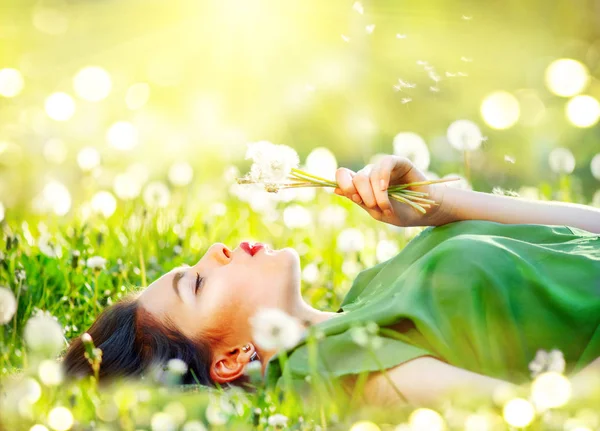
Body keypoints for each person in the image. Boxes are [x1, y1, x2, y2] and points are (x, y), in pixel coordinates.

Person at [63, 155, 600, 407]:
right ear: (229, 360)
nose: (215, 250)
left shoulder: (366, 295)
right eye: (197, 284)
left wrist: (439, 207)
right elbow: (552, 415)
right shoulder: (336, 370)